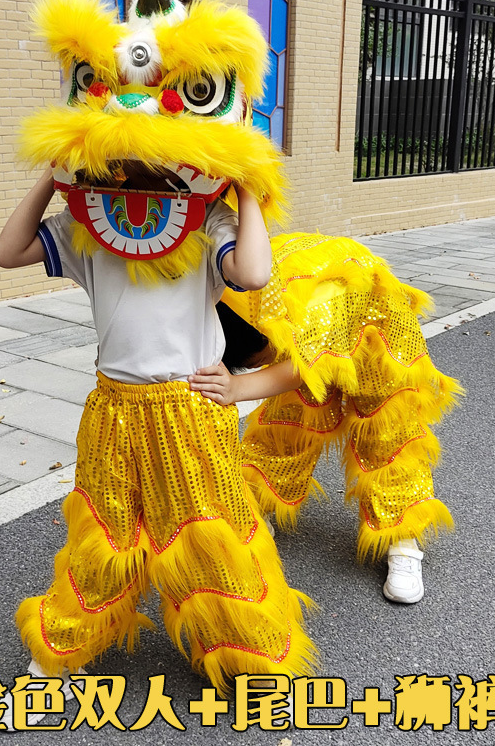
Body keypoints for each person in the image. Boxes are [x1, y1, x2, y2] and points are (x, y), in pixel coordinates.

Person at [0, 0, 317, 727]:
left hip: (189, 406)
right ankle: (58, 652)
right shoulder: (85, 230)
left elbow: (254, 274)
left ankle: (249, 655)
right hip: (114, 407)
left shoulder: (205, 228)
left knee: (212, 530)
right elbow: (7, 252)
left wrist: (248, 186)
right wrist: (53, 171)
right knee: (102, 533)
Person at [189, 232, 464, 605]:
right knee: (288, 420)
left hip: (376, 328)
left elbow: (300, 369)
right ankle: (259, 503)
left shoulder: (308, 306)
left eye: (258, 361)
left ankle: (402, 538)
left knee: (387, 432)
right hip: (305, 324)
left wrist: (238, 388)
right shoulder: (227, 297)